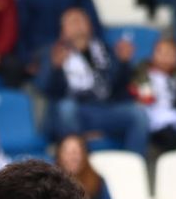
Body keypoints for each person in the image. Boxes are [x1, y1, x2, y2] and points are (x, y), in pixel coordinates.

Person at [38, 9, 149, 154]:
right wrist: (55, 69)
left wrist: (123, 63)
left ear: (90, 26)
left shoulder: (104, 49)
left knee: (138, 115)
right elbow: (44, 88)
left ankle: (133, 163)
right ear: (62, 31)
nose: (77, 25)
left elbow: (116, 87)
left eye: (81, 20)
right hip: (76, 111)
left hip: (104, 109)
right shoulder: (53, 52)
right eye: (72, 22)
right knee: (66, 107)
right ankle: (76, 158)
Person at [55, 133, 116, 199]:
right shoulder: (51, 183)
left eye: (76, 152)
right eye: (67, 153)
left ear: (84, 154)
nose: (72, 157)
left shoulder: (96, 180)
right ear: (59, 155)